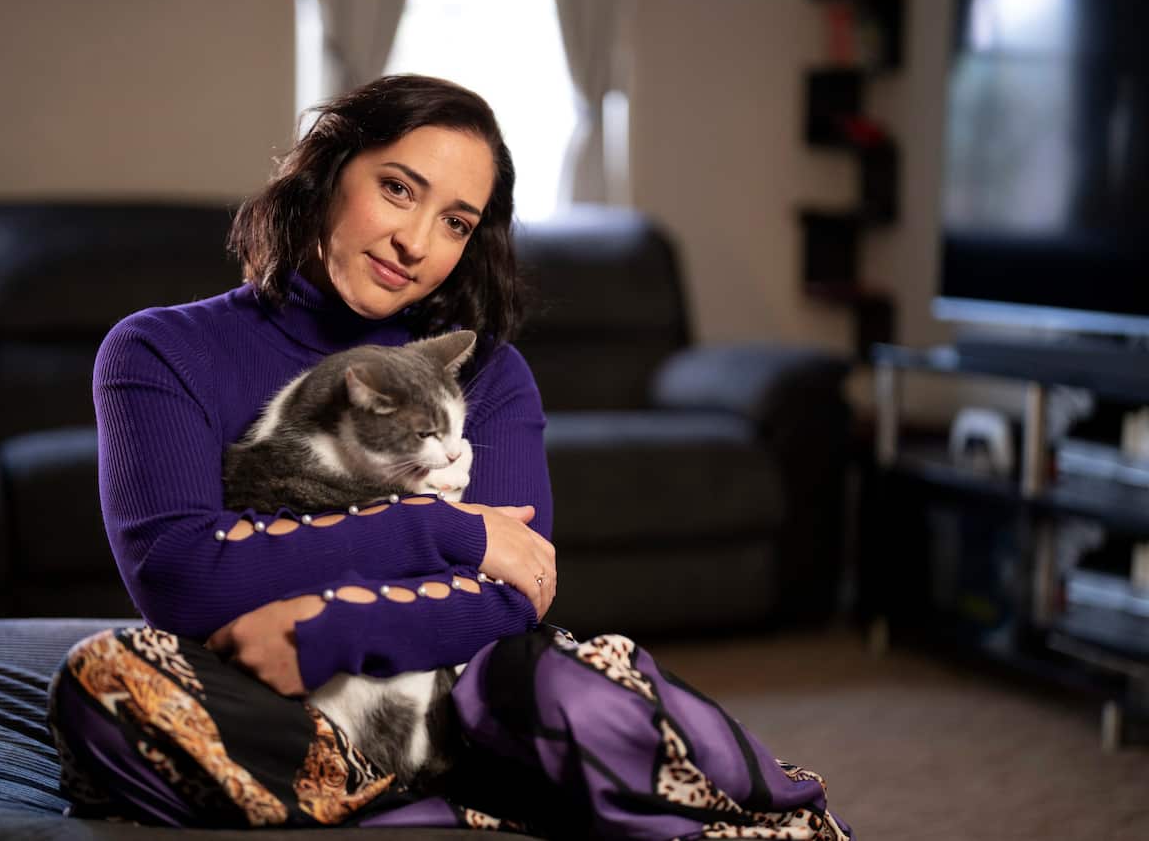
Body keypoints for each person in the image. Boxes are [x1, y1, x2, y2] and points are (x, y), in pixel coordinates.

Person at [48, 75, 851, 840]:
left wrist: (323, 623)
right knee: (104, 682)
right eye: (397, 188)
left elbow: (513, 593)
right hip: (283, 711)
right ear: (328, 171)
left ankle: (764, 812)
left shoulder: (486, 374)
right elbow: (183, 577)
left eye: (457, 222)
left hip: (461, 703)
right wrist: (447, 531)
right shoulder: (159, 349)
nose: (415, 242)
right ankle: (430, 797)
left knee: (564, 680)